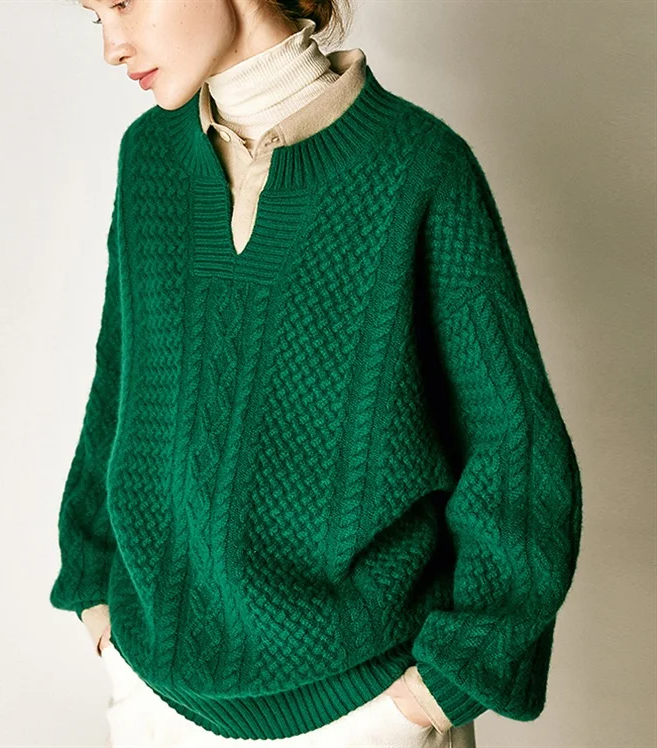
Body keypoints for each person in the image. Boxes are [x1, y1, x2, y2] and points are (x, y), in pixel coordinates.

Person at [49, 0, 584, 746]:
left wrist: (445, 685)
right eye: (94, 16)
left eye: (124, 3)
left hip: (364, 705)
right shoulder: (150, 157)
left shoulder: (417, 167)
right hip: (151, 690)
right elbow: (120, 382)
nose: (113, 45)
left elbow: (515, 446)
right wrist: (92, 585)